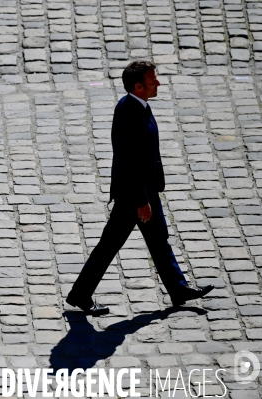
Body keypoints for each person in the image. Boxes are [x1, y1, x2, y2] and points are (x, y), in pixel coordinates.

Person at [65, 61, 214, 316]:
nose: (158, 83)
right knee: (109, 246)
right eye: (152, 80)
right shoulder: (130, 113)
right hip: (134, 195)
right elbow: (129, 162)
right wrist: (141, 201)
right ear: (138, 86)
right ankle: (80, 294)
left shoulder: (138, 106)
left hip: (144, 191)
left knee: (158, 240)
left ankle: (178, 289)